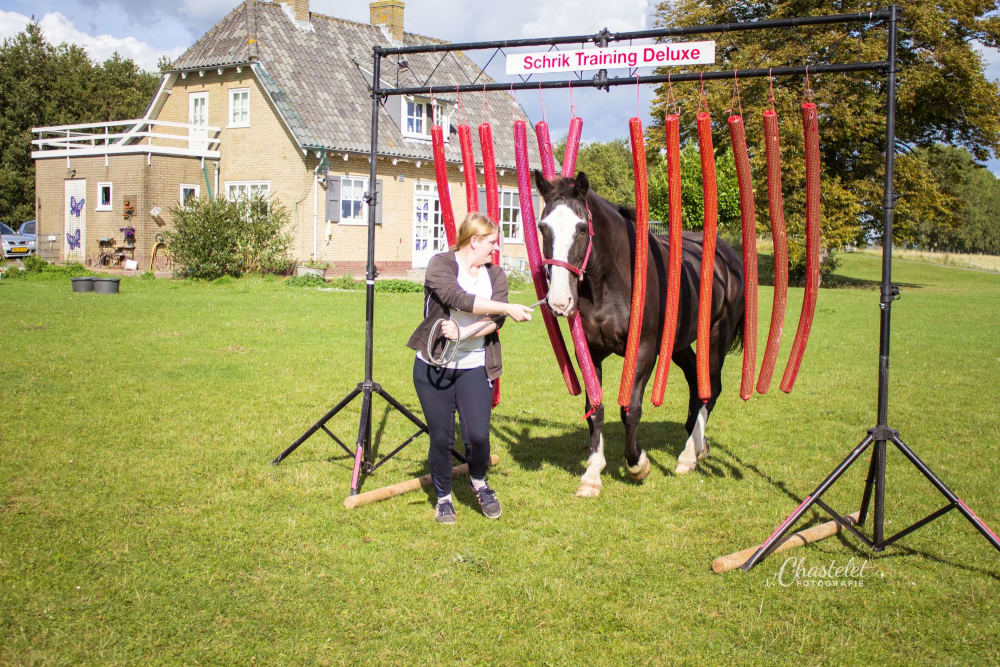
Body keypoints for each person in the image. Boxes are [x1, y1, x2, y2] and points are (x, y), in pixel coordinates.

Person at [407, 212, 534, 523]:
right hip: (434, 368)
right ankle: (444, 498)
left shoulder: (497, 275)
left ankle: (479, 482)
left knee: (478, 436)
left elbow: (494, 322)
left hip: (476, 365)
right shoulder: (441, 264)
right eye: (491, 242)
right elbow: (458, 298)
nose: (495, 249)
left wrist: (464, 333)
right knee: (441, 438)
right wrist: (506, 306)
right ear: (474, 240)